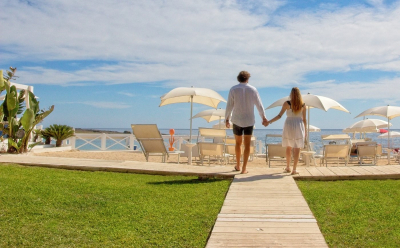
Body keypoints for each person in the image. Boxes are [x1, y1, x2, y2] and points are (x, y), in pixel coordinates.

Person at [225, 71, 268, 174]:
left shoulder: (233, 89)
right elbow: (259, 105)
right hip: (249, 120)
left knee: (238, 143)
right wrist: (263, 118)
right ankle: (244, 168)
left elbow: (229, 105)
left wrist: (227, 119)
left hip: (236, 119)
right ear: (247, 79)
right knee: (247, 144)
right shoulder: (253, 89)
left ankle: (238, 165)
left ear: (238, 78)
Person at [266, 87, 306, 175]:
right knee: (297, 148)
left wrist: (269, 122)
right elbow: (304, 120)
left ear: (291, 94)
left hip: (289, 125)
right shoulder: (303, 105)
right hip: (299, 125)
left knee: (289, 147)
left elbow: (279, 116)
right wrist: (305, 132)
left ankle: (288, 167)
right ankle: (294, 169)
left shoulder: (287, 103)